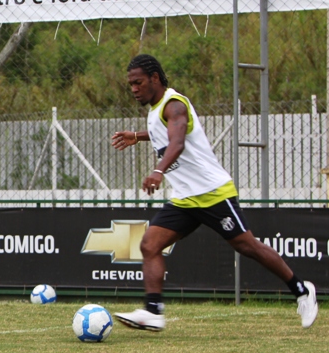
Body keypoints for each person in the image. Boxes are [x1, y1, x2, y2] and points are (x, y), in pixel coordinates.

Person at [111, 54, 318, 331]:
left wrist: (158, 171)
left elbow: (177, 141)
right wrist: (137, 136)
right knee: (150, 244)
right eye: (131, 85)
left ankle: (302, 290)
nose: (134, 89)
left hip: (212, 193)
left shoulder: (174, 104)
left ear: (155, 78)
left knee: (248, 246)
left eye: (138, 83)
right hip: (185, 198)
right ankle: (153, 311)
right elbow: (162, 131)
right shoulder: (157, 110)